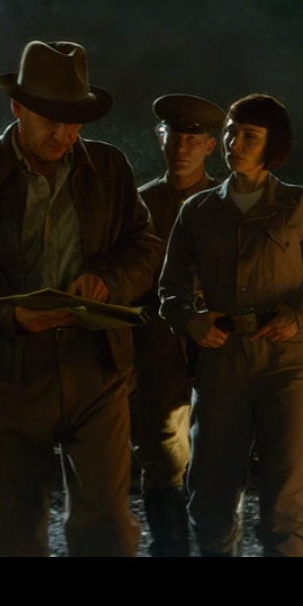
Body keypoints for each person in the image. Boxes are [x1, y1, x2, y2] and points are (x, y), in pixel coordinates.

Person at [0, 41, 163, 557]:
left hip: (96, 366)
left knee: (108, 524)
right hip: (11, 374)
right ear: (17, 107)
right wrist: (8, 317)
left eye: (74, 122)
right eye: (51, 120)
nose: (63, 134)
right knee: (19, 527)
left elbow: (145, 246)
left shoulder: (109, 169)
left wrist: (107, 280)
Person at [159, 94, 303, 557]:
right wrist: (191, 321)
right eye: (230, 133)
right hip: (221, 362)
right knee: (211, 495)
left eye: (249, 136)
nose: (234, 144)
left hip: (288, 365)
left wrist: (298, 317)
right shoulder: (198, 210)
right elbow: (170, 288)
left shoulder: (299, 205)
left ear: (272, 145)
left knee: (285, 503)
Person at [131, 93, 223, 557]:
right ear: (161, 139)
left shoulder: (226, 204)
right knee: (163, 457)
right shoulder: (139, 206)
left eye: (193, 140)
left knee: (217, 460)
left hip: (219, 351)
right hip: (158, 355)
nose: (181, 149)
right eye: (174, 138)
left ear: (209, 147)